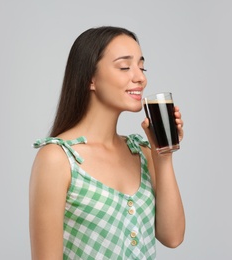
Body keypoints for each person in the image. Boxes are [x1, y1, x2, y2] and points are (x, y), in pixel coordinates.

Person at [29, 26, 185, 260]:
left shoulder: (142, 152)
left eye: (142, 67)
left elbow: (172, 237)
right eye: (125, 67)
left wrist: (162, 155)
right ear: (90, 78)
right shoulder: (57, 159)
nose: (140, 77)